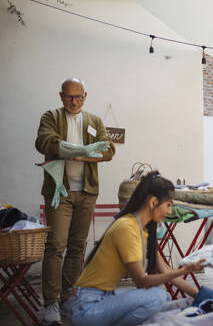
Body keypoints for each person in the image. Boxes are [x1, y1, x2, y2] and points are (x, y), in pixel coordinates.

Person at [69, 171, 205, 326]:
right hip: (87, 307)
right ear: (153, 202)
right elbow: (141, 281)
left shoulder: (142, 230)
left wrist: (199, 295)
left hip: (103, 299)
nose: (169, 211)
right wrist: (183, 270)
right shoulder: (127, 227)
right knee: (157, 297)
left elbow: (167, 272)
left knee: (164, 298)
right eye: (168, 205)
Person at [35, 78, 115, 325]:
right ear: (61, 96)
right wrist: (85, 152)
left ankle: (69, 299)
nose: (74, 101)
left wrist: (72, 151)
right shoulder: (50, 116)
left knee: (78, 246)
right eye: (69, 97)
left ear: (85, 95)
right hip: (61, 192)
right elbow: (44, 143)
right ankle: (51, 303)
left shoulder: (94, 121)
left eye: (78, 96)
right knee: (56, 246)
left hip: (87, 193)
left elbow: (109, 150)